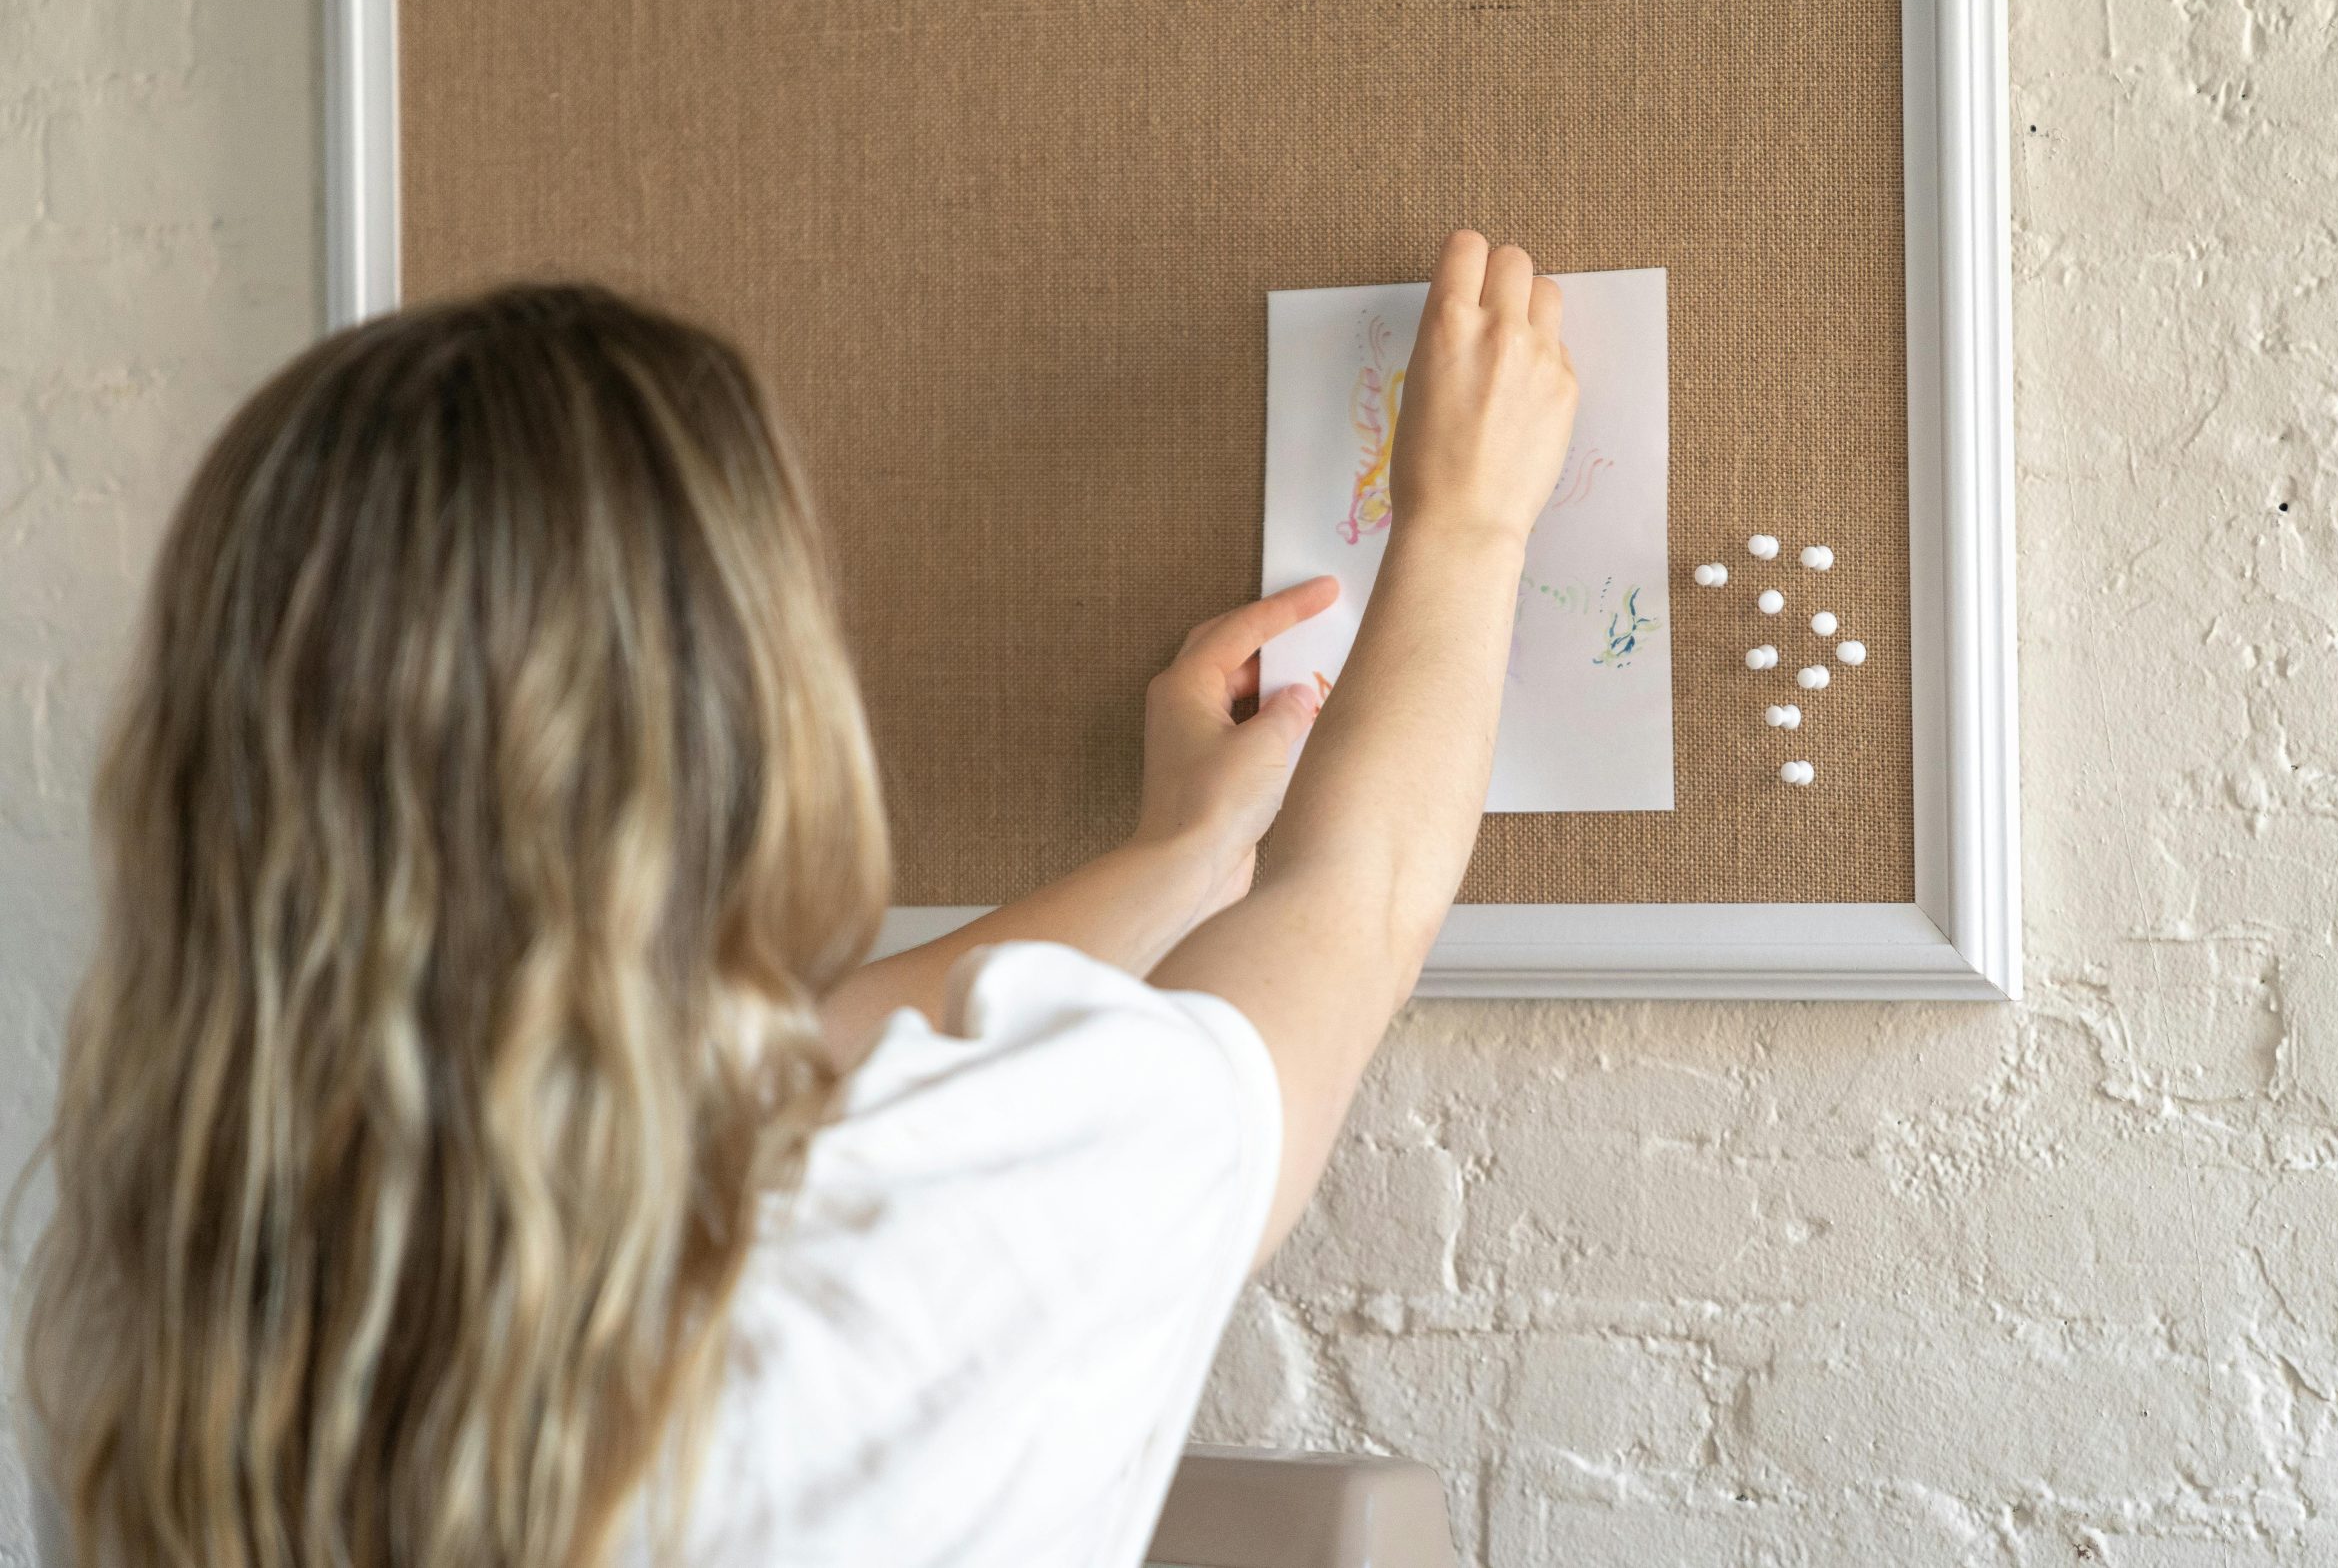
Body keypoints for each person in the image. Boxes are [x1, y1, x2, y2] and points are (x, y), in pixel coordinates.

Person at [18, 230, 1576, 1567]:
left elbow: (764, 1053)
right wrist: (1465, 525)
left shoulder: (157, 1283)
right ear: (736, 710)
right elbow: (1352, 899)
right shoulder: (914, 1232)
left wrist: (1172, 860)